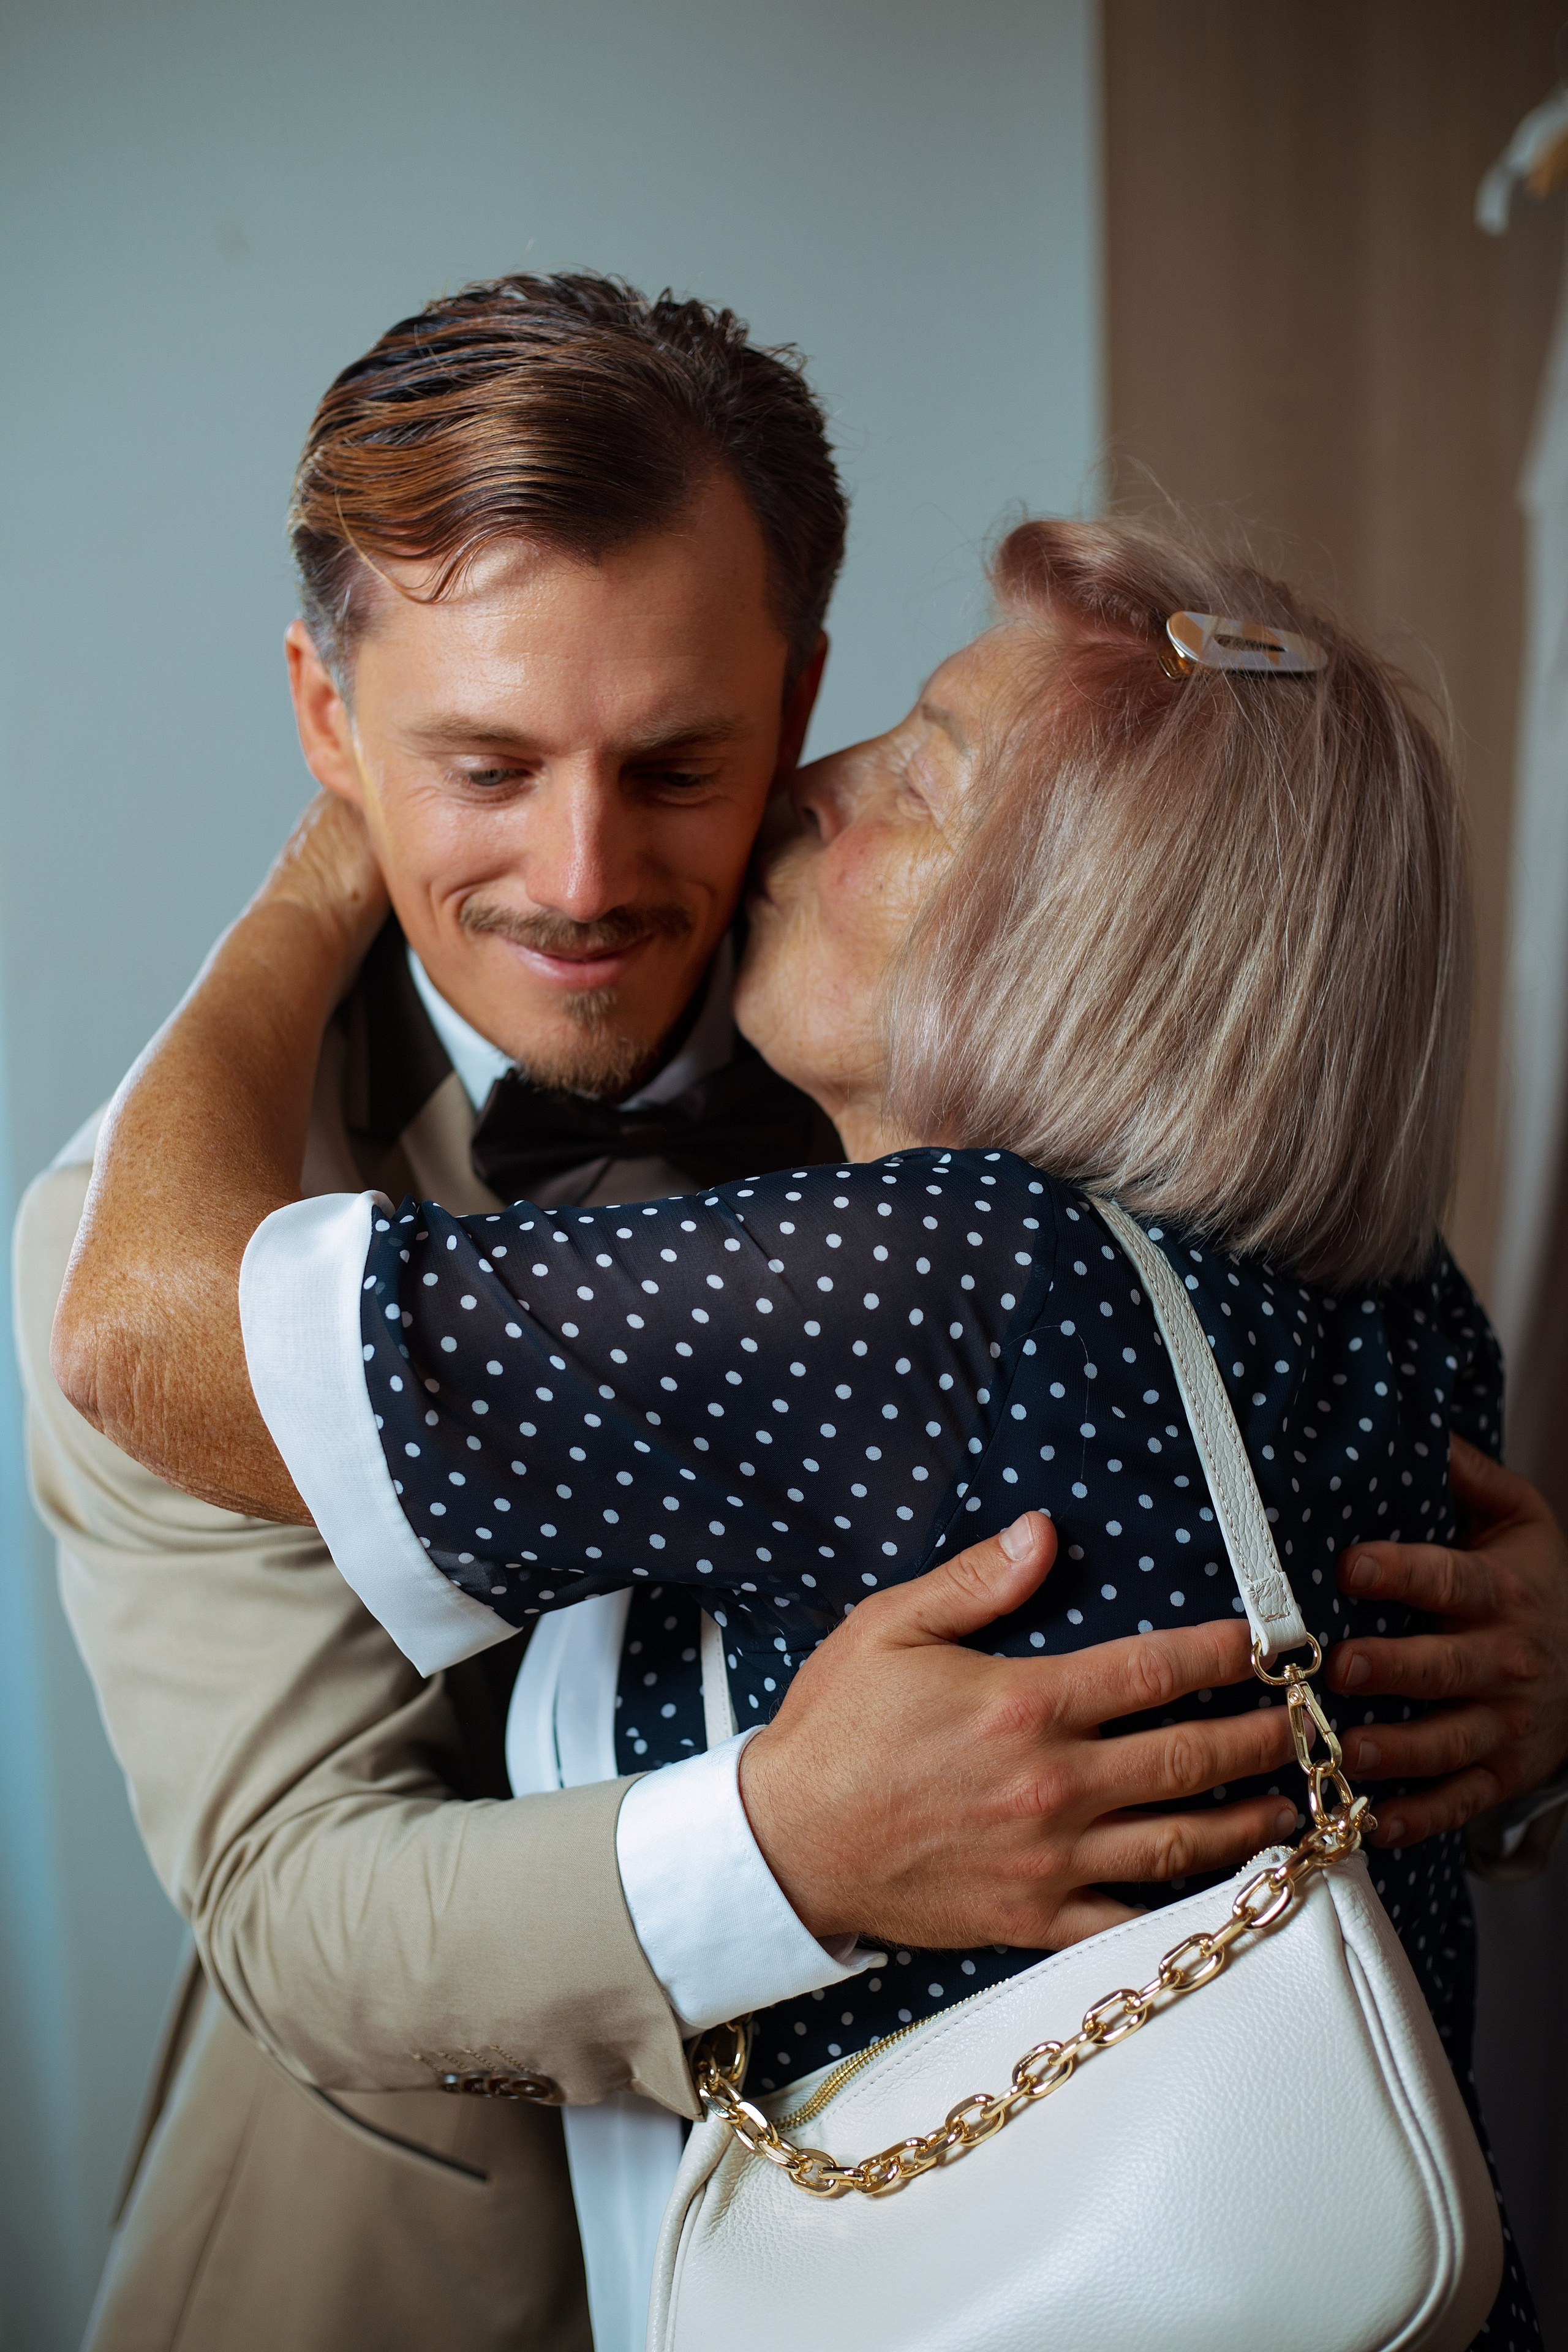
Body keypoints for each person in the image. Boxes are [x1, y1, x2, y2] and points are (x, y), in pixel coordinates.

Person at [25, 276, 1568, 2350]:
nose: (584, 873)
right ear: (332, 723)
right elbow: (301, 1900)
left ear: (795, 695)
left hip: (1055, 2245)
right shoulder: (143, 1233)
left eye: (681, 762)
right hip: (422, 2272)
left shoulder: (994, 1128)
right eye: (482, 764)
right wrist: (782, 1851)